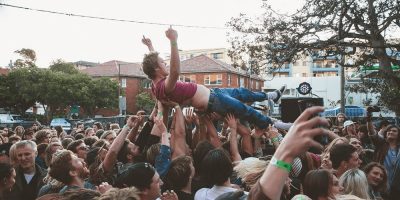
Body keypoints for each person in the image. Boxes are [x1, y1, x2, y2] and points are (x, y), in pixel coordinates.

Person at [141, 28, 285, 130]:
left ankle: (272, 95)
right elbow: (174, 71)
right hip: (214, 102)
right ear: (156, 69)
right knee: (244, 109)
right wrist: (173, 41)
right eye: (162, 62)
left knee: (243, 92)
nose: (165, 63)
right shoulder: (163, 87)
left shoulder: (156, 84)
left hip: (215, 94)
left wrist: (150, 46)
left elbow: (154, 63)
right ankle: (273, 124)